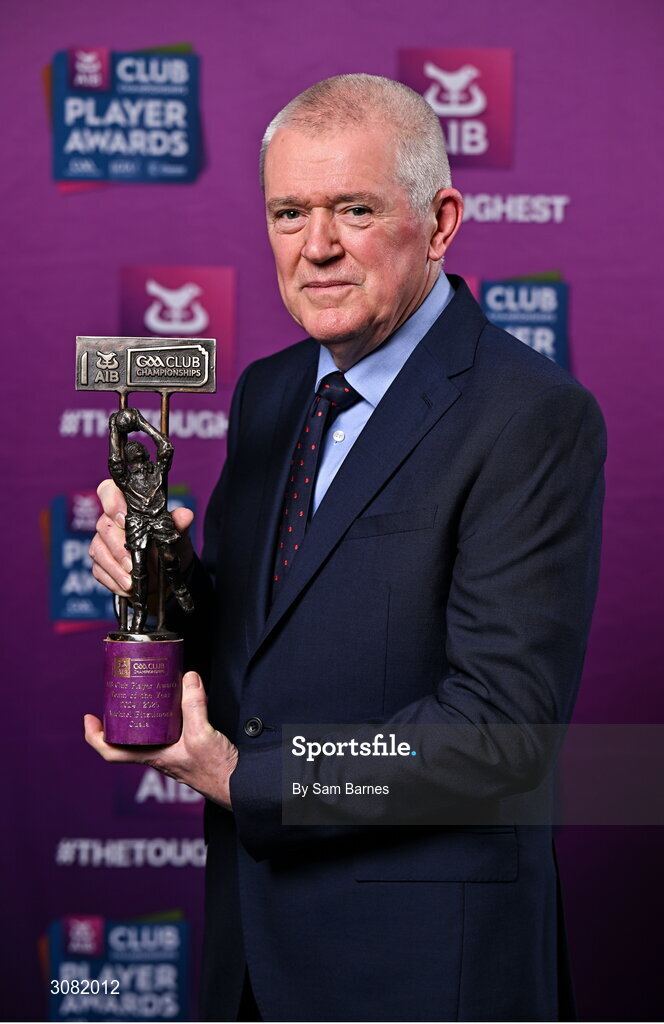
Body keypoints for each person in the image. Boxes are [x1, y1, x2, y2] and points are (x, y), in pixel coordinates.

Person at [87, 74, 606, 1022]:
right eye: (289, 212)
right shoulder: (271, 390)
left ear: (440, 223)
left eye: (354, 210)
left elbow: (501, 730)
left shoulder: (529, 414)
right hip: (252, 954)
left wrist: (249, 780)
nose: (316, 245)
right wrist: (161, 577)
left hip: (421, 969)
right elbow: (260, 644)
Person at [107, 407, 193, 633]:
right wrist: (114, 429)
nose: (134, 448)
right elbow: (114, 461)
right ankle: (140, 613)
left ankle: (179, 588)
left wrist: (142, 423)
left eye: (139, 447)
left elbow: (166, 447)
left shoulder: (158, 471)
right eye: (130, 448)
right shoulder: (125, 478)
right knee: (138, 569)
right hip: (137, 521)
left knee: (169, 557)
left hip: (159, 517)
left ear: (145, 453)